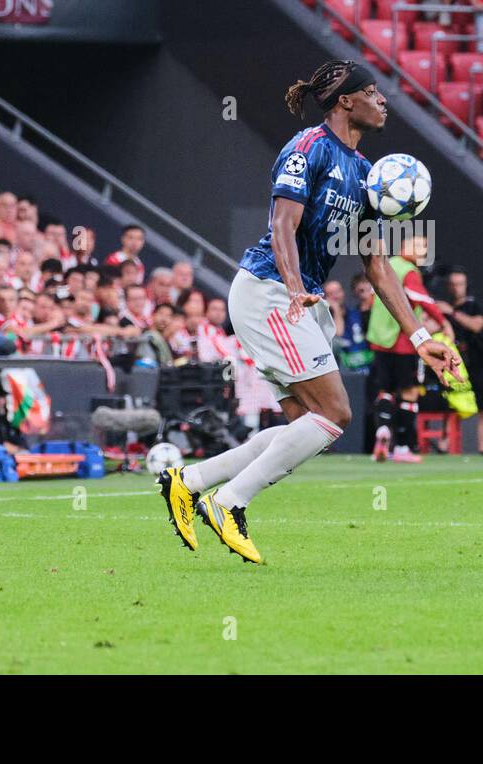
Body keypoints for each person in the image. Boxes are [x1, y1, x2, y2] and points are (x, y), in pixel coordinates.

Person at [156, 60, 458, 565]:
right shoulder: (307, 149)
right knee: (336, 413)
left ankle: (188, 482)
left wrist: (422, 338)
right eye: (373, 92)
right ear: (346, 101)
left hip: (300, 299)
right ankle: (228, 503)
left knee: (305, 426)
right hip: (270, 290)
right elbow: (281, 227)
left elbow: (377, 266)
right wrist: (295, 288)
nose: (384, 101)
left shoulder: (365, 175)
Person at [366, 235, 449, 463]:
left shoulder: (385, 265)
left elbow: (372, 299)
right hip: (404, 342)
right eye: (419, 246)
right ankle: (402, 446)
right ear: (404, 247)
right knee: (409, 393)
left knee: (385, 390)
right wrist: (444, 322)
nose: (423, 252)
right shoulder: (408, 271)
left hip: (380, 341)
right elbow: (422, 299)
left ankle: (382, 430)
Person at [438, 268, 483, 455]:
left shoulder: (473, 307)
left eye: (460, 284)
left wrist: (453, 313)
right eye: (453, 284)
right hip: (454, 364)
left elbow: (477, 325)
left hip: (479, 362)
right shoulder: (441, 308)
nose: (456, 288)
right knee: (451, 404)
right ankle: (445, 444)